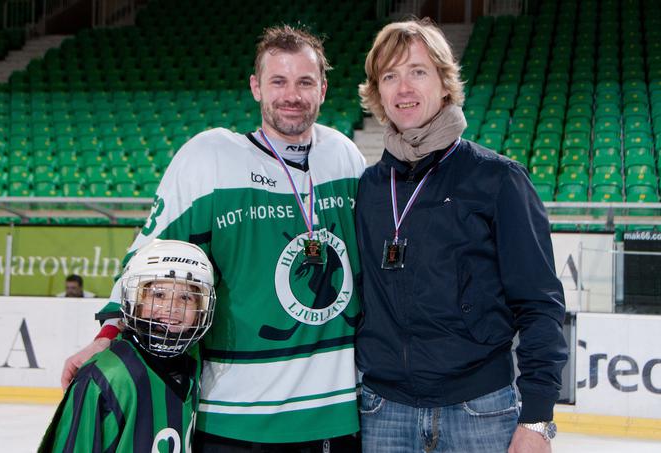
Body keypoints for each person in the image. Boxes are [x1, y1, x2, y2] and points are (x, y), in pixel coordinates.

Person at [60, 24, 365, 452]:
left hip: (336, 417)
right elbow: (148, 262)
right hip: (235, 416)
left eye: (304, 82)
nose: (291, 95)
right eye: (278, 81)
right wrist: (108, 336)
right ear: (256, 87)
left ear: (324, 88)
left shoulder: (344, 156)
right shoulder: (210, 160)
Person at [355, 19, 568, 453]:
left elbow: (540, 304)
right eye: (389, 76)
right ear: (377, 94)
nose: (403, 88)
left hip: (480, 410)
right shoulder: (370, 187)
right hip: (384, 411)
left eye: (417, 71)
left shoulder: (497, 179)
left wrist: (539, 417)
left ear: (445, 82)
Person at [40, 239, 216, 452]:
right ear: (135, 300)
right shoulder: (106, 376)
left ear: (202, 306)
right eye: (158, 294)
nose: (172, 308)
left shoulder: (192, 361)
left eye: (186, 297)